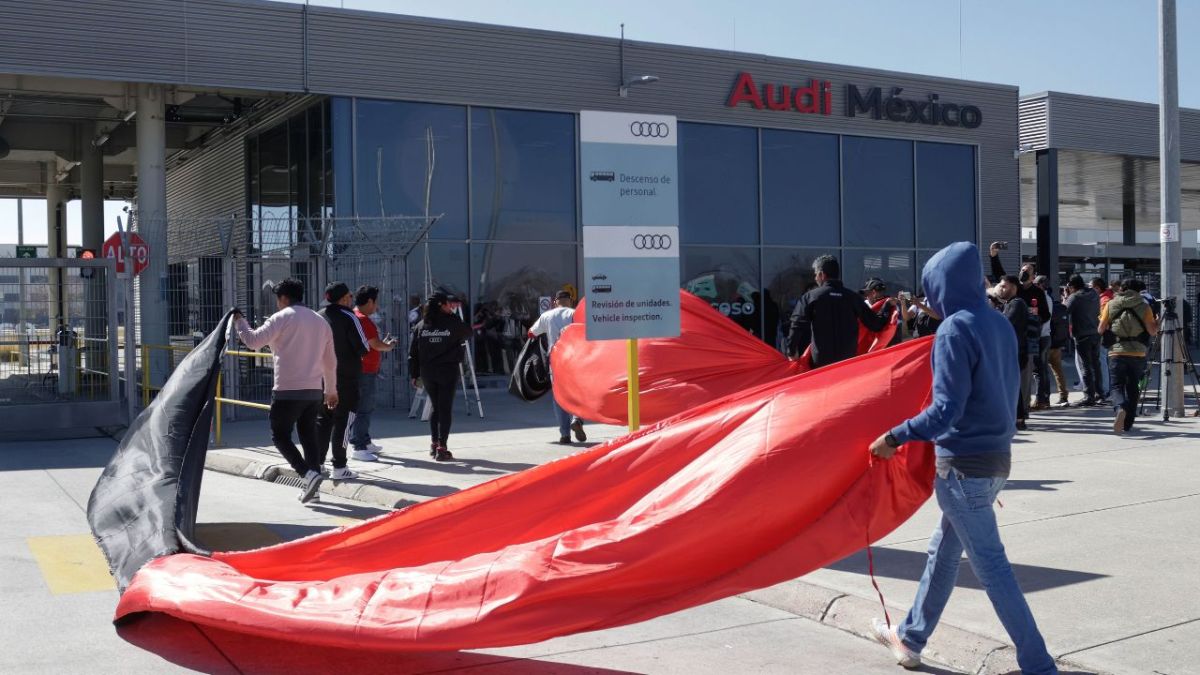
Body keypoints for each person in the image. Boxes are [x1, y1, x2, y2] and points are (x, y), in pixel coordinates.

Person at [868, 242, 1056, 675]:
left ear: (940, 287)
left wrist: (895, 436)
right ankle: (911, 637)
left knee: (991, 568)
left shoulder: (954, 330)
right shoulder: (998, 323)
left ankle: (1039, 665)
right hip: (996, 461)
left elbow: (944, 411)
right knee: (943, 553)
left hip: (963, 467)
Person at [232, 278, 337, 504]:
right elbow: (330, 361)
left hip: (287, 389)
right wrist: (331, 389)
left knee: (279, 435)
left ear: (283, 298)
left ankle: (306, 475)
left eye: (277, 300)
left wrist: (240, 322)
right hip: (313, 391)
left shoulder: (281, 318)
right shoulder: (320, 322)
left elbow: (253, 341)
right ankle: (314, 488)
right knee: (309, 437)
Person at [787, 255, 892, 368]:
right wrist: (887, 306)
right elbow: (876, 324)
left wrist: (791, 351)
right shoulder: (853, 298)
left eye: (816, 274)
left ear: (822, 274)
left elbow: (797, 325)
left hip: (821, 364)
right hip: (847, 364)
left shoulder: (811, 297)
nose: (815, 278)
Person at [409, 291, 473, 461]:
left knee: (436, 407)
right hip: (447, 370)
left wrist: (414, 374)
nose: (450, 307)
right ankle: (442, 446)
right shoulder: (452, 322)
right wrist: (454, 317)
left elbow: (413, 352)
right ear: (441, 305)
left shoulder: (421, 325)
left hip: (428, 372)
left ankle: (434, 443)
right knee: (444, 408)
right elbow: (468, 332)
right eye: (447, 304)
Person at [316, 282, 369, 482]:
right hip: (346, 378)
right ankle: (339, 466)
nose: (352, 299)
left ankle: (318, 463)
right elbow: (363, 347)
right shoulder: (349, 316)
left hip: (320, 378)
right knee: (344, 422)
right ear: (344, 298)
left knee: (322, 421)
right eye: (350, 295)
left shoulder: (318, 316)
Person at [529, 290, 587, 445]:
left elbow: (531, 333)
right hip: (575, 357)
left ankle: (564, 434)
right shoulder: (575, 314)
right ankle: (577, 419)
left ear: (555, 301)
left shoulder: (546, 316)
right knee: (578, 391)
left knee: (559, 396)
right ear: (570, 301)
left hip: (556, 358)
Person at [1100, 279, 1157, 434]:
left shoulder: (1111, 304)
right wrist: (1157, 322)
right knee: (1133, 388)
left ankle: (1120, 408)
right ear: (1138, 291)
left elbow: (1101, 328)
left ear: (1122, 289)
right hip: (1138, 352)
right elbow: (1152, 331)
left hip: (1116, 351)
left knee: (1116, 386)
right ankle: (1128, 424)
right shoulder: (1144, 306)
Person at [348, 285, 398, 461]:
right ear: (369, 301)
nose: (376, 306)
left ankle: (365, 441)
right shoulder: (363, 319)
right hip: (365, 371)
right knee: (364, 408)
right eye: (376, 302)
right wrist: (389, 346)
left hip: (362, 369)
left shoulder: (354, 316)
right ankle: (358, 446)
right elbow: (375, 344)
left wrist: (381, 344)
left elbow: (371, 343)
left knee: (364, 407)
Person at [990, 275, 1033, 431]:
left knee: (1010, 385)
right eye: (1000, 286)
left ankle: (1018, 418)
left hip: (1014, 352)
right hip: (1011, 352)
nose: (1001, 289)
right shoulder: (1009, 304)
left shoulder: (1017, 304)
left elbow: (1004, 324)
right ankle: (1018, 419)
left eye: (1004, 286)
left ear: (1014, 288)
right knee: (1010, 385)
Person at [1065, 275, 1104, 406]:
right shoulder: (1093, 293)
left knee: (1085, 366)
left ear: (1071, 287)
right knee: (1096, 365)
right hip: (1096, 332)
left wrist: (1066, 297)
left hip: (1082, 335)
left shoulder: (1074, 297)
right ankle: (1100, 393)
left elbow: (1065, 311)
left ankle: (1089, 396)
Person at [1046, 281, 1071, 406]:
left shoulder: (1044, 304)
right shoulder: (1059, 307)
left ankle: (1043, 398)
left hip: (1045, 342)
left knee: (1040, 373)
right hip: (1057, 344)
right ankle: (1063, 396)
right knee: (1058, 371)